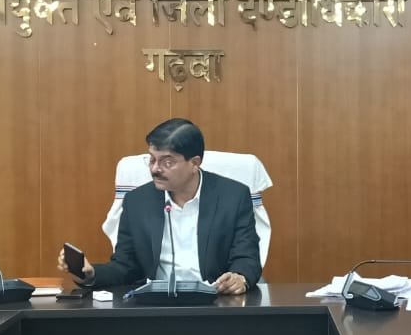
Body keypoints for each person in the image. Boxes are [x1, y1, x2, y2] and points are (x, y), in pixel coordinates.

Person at [58, 118, 261, 295]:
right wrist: (90, 273)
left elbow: (247, 258)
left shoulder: (233, 197)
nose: (155, 169)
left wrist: (239, 277)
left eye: (167, 162)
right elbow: (126, 266)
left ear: (194, 163)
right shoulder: (137, 201)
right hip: (157, 306)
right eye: (152, 159)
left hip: (214, 302)